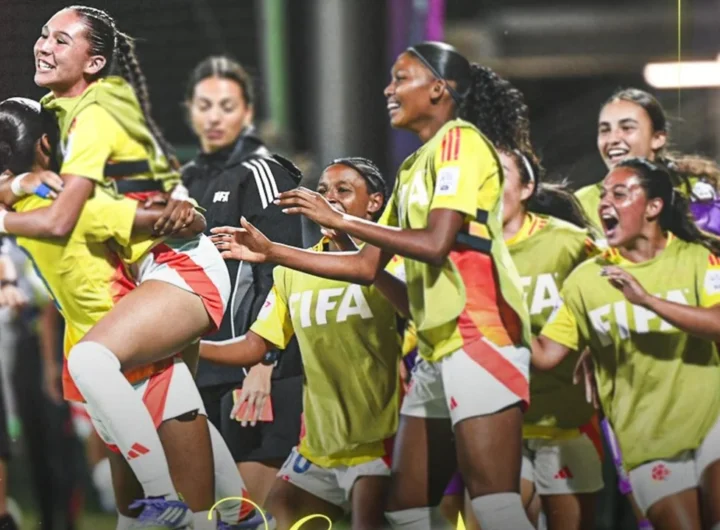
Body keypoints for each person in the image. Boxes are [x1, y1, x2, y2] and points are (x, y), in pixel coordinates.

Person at [212, 42, 536, 530]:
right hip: (439, 345)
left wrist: (339, 219)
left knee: (492, 503)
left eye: (401, 78)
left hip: (480, 334)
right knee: (406, 507)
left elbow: (435, 243)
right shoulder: (414, 168)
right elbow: (367, 267)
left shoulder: (461, 142)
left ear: (438, 89)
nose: (388, 89)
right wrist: (273, 252)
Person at [0, 94, 246, 530]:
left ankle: (169, 499)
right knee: (146, 511)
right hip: (113, 342)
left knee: (189, 510)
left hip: (135, 336)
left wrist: (187, 212)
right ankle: (235, 514)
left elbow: (176, 221)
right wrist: (21, 183)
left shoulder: (68, 200)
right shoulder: (60, 195)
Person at [203, 157, 406, 529]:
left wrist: (341, 236)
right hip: (319, 446)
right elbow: (255, 345)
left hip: (381, 439)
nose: (329, 198)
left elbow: (407, 307)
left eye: (343, 190)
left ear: (375, 202)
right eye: (323, 191)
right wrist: (189, 347)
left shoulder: (394, 260)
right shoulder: (294, 269)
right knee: (279, 516)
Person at [534, 157, 720, 530]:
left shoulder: (698, 258)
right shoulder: (585, 281)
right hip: (646, 441)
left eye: (619, 194)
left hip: (712, 423)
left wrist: (647, 301)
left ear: (654, 207)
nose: (605, 203)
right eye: (603, 195)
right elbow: (546, 355)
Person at [182, 55, 304, 508]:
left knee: (250, 511)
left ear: (247, 112)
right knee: (207, 508)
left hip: (250, 369)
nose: (214, 117)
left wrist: (265, 363)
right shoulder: (187, 179)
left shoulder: (262, 171)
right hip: (202, 366)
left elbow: (284, 269)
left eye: (227, 106)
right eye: (205, 105)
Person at [577, 87, 720, 238]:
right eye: (605, 130)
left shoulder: (698, 192)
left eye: (627, 128)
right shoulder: (582, 204)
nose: (612, 139)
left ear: (657, 138)